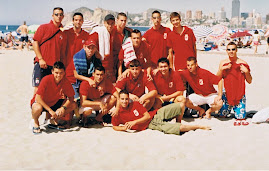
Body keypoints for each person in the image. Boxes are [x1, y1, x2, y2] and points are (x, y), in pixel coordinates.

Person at [111, 90, 211, 135]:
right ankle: (198, 127)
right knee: (178, 129)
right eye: (122, 99)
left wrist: (134, 122)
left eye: (126, 99)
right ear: (119, 99)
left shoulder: (135, 104)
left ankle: (178, 122)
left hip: (155, 114)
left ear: (129, 99)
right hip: (151, 124)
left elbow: (146, 116)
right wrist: (123, 128)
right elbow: (114, 126)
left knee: (181, 105)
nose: (124, 101)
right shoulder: (117, 112)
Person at [30, 61, 76, 134]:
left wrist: (63, 108)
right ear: (52, 72)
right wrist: (50, 110)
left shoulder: (65, 81)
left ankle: (53, 120)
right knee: (37, 108)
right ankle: (36, 122)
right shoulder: (46, 79)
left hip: (54, 102)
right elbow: (38, 98)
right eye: (56, 73)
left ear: (64, 73)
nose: (59, 75)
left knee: (73, 105)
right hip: (41, 102)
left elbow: (71, 97)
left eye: (61, 73)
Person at [32, 7, 67, 94]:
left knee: (50, 89)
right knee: (38, 88)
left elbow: (62, 53)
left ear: (63, 16)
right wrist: (40, 59)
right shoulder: (44, 27)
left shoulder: (63, 33)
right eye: (56, 14)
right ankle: (35, 107)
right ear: (52, 16)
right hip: (42, 64)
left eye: (61, 14)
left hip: (54, 67)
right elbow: (35, 42)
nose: (58, 16)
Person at [217, 42, 252, 126]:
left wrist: (246, 72)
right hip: (227, 93)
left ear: (236, 50)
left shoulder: (243, 63)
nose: (231, 51)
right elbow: (217, 78)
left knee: (240, 117)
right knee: (222, 115)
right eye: (229, 49)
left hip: (239, 93)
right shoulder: (223, 63)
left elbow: (250, 81)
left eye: (233, 49)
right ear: (226, 51)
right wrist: (222, 69)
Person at [64, 12, 90, 90]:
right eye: (76, 20)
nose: (78, 22)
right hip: (67, 67)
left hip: (80, 68)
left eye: (80, 20)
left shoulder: (86, 35)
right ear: (73, 21)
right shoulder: (66, 33)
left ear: (82, 21)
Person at [91, 14, 116, 82]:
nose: (110, 25)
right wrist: (97, 52)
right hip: (100, 64)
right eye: (108, 23)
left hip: (110, 66)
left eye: (112, 23)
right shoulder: (99, 32)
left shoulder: (114, 32)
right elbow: (90, 42)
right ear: (104, 23)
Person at [113, 12, 132, 77]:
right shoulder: (112, 31)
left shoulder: (128, 32)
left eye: (125, 21)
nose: (123, 22)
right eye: (121, 20)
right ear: (117, 20)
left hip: (124, 61)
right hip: (113, 61)